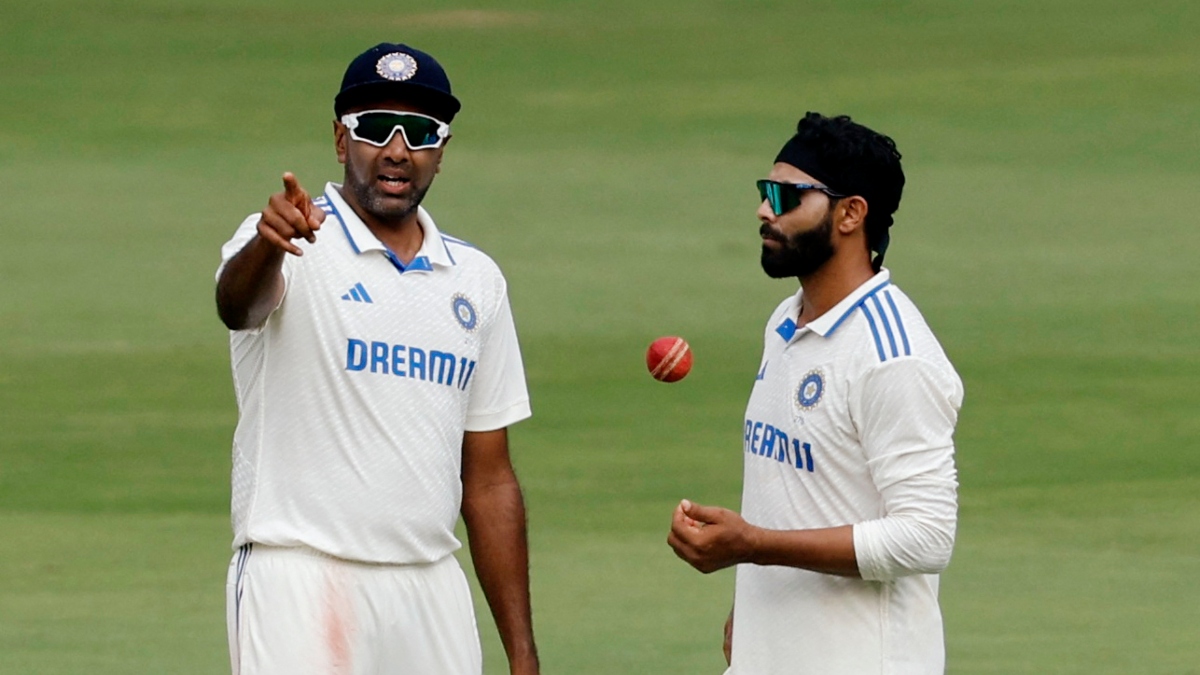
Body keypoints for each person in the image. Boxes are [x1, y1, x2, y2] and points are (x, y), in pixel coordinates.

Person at [214, 43, 538, 675]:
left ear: (440, 152)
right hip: (301, 577)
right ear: (340, 140)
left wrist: (522, 653)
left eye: (419, 133)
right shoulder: (286, 238)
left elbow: (491, 479)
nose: (396, 150)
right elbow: (237, 306)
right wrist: (268, 245)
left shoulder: (476, 280)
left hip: (430, 587)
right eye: (372, 129)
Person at [667, 112, 964, 674]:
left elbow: (926, 538)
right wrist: (751, 606)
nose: (763, 209)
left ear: (851, 213)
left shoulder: (892, 357)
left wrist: (753, 545)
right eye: (764, 191)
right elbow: (795, 488)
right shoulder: (787, 321)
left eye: (785, 195)